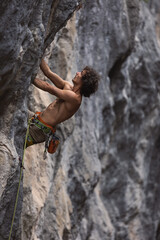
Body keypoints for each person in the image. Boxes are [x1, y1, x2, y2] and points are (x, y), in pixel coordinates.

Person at [26, 59, 100, 153]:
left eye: (81, 73)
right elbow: (48, 72)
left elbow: (49, 87)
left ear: (84, 82)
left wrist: (27, 75)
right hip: (36, 119)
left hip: (39, 130)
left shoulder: (75, 98)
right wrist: (39, 55)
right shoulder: (68, 87)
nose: (77, 73)